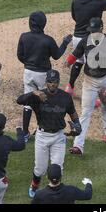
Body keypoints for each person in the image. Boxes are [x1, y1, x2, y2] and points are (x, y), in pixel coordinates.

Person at [16, 69, 81, 198]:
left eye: (55, 82)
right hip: (42, 136)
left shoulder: (65, 97)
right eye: (50, 82)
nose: (53, 85)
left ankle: (55, 192)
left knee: (58, 168)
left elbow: (72, 113)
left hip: (58, 136)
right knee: (40, 169)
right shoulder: (38, 96)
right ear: (46, 82)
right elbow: (19, 100)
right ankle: (34, 185)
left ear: (58, 82)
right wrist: (33, 93)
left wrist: (77, 124)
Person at [66, 17, 106, 155]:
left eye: (95, 31)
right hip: (89, 82)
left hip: (105, 80)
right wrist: (69, 61)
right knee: (85, 112)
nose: (93, 33)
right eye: (91, 31)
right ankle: (78, 145)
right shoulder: (85, 41)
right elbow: (73, 57)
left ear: (102, 28)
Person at [17, 11, 73, 142]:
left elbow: (20, 55)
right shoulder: (47, 40)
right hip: (43, 75)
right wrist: (65, 42)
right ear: (43, 24)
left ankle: (25, 132)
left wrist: (29, 64)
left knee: (28, 100)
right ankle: (41, 128)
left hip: (28, 72)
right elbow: (57, 55)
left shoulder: (24, 37)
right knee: (45, 100)